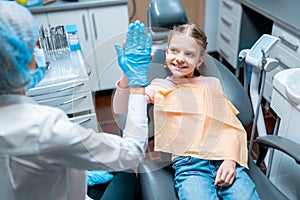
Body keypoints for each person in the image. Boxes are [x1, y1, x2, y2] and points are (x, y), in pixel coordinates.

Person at [0, 2, 151, 200]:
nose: (40, 53)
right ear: (17, 61)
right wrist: (137, 83)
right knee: (127, 174)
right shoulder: (45, 128)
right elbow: (131, 153)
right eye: (35, 47)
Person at [113, 23, 260, 199]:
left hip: (224, 159)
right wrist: (127, 74)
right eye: (174, 51)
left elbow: (229, 126)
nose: (180, 58)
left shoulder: (212, 83)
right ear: (166, 52)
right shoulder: (159, 87)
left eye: (189, 54)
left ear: (199, 60)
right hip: (191, 167)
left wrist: (230, 160)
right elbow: (122, 108)